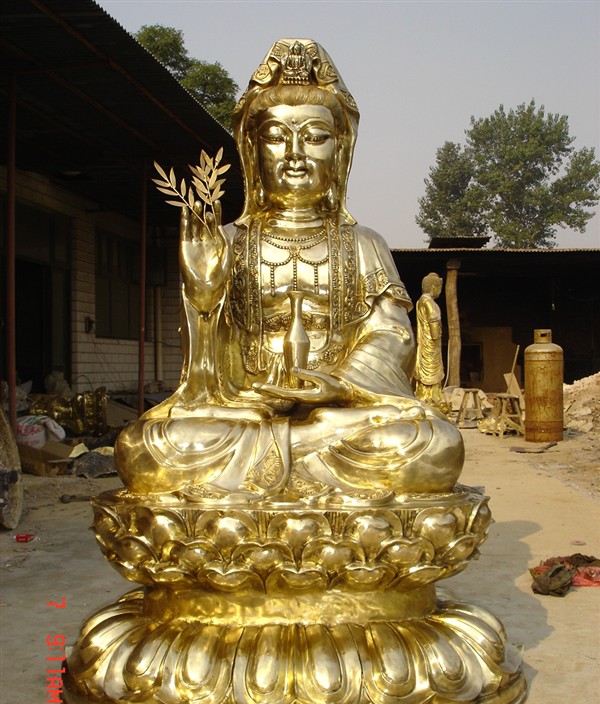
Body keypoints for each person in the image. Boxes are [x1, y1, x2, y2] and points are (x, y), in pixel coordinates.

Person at [115, 39, 464, 500]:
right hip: (245, 409)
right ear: (252, 152)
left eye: (315, 137)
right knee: (145, 447)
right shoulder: (227, 241)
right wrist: (203, 296)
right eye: (277, 137)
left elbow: (392, 336)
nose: (295, 154)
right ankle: (303, 455)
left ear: (340, 152)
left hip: (340, 410)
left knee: (436, 445)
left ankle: (279, 459)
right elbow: (203, 376)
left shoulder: (364, 243)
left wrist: (339, 386)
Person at [413, 272, 450, 413]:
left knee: (424, 368)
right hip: (431, 344)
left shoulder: (419, 302)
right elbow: (434, 325)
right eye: (439, 288)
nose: (439, 291)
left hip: (424, 343)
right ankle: (432, 398)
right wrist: (437, 338)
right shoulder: (429, 303)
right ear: (434, 287)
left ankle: (426, 395)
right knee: (432, 371)